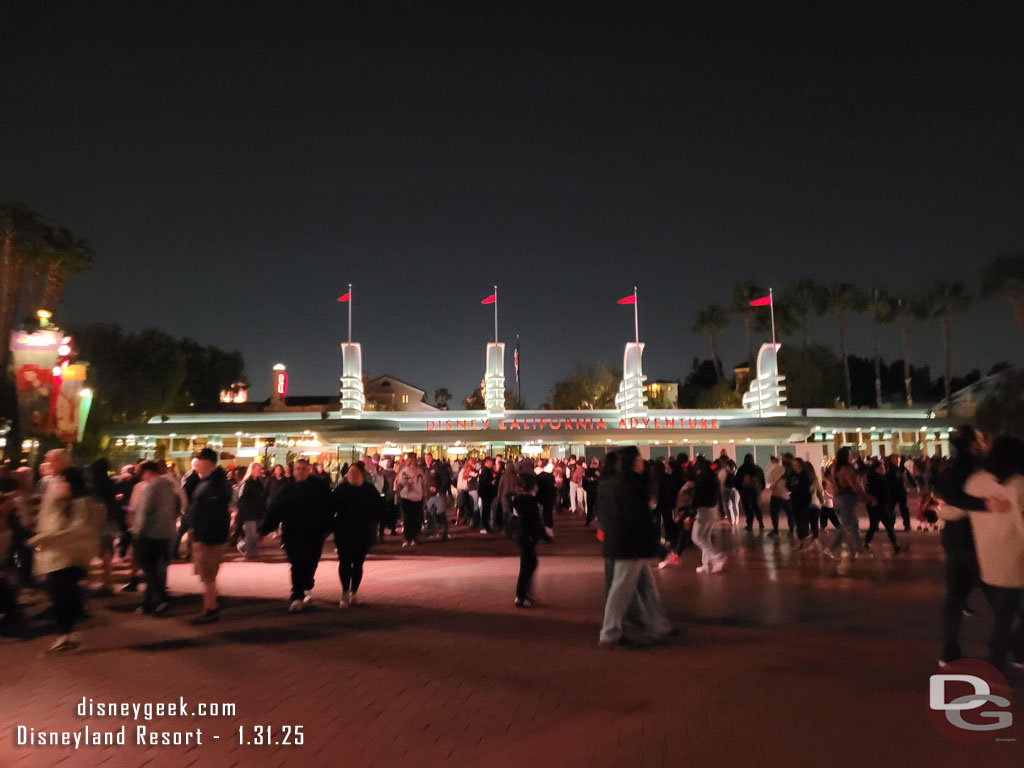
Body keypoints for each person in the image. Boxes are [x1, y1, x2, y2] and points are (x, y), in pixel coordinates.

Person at [598, 446, 673, 647]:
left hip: (619, 543)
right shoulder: (631, 485)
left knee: (643, 587)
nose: (642, 462)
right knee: (621, 589)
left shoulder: (607, 484)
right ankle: (610, 632)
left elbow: (603, 515)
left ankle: (657, 625)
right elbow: (640, 519)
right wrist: (657, 546)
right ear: (633, 461)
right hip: (630, 546)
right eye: (639, 458)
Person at [964, 435, 1024, 676]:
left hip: (989, 560)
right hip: (1016, 561)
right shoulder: (1019, 484)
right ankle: (996, 665)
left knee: (1005, 614)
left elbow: (953, 512)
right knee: (1007, 617)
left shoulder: (976, 481)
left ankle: (1012, 655)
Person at [29, 464, 102, 652]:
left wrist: (42, 539)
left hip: (68, 558)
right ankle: (67, 632)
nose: (59, 485)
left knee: (62, 596)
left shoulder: (82, 504)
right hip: (57, 558)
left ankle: (65, 635)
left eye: (62, 480)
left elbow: (76, 531)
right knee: (62, 595)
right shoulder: (61, 502)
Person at [934, 426, 991, 665]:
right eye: (980, 437)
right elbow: (952, 495)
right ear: (972, 443)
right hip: (976, 540)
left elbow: (942, 491)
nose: (985, 440)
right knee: (1002, 598)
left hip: (954, 540)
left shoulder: (952, 468)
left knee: (955, 597)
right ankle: (1014, 651)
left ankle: (949, 653)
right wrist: (983, 504)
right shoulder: (979, 468)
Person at [260, 458, 333, 612]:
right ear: (293, 471)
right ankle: (297, 595)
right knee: (296, 564)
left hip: (314, 533)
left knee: (311, 561)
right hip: (292, 533)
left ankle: (307, 583)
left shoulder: (319, 488)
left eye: (303, 469)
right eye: (297, 468)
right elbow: (275, 510)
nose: (300, 471)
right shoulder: (287, 489)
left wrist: (328, 527)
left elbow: (329, 508)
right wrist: (264, 530)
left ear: (309, 470)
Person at [185, 448, 232, 623]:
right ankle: (211, 605)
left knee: (208, 576)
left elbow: (212, 513)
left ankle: (210, 609)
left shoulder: (214, 485)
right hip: (206, 534)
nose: (196, 463)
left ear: (208, 462)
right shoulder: (209, 481)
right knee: (207, 576)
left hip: (208, 537)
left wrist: (202, 535)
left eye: (198, 459)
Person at [130, 462, 179, 615]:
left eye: (141, 474)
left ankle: (162, 599)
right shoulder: (170, 486)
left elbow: (144, 511)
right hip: (166, 533)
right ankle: (148, 603)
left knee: (148, 568)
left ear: (148, 472)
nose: (141, 478)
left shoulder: (151, 488)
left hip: (149, 533)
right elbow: (178, 506)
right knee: (156, 569)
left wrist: (136, 531)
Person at [333, 462, 382, 607]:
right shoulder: (341, 489)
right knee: (345, 563)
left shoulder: (368, 489)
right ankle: (344, 591)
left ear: (361, 475)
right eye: (349, 473)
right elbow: (331, 507)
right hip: (344, 532)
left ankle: (354, 592)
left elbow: (378, 506)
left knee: (358, 563)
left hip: (363, 532)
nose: (351, 475)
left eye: (355, 473)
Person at [824, 448, 874, 560]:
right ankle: (832, 548)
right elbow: (854, 485)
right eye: (851, 455)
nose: (853, 457)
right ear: (847, 456)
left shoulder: (834, 468)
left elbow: (828, 476)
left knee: (853, 525)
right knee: (846, 526)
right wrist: (865, 496)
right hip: (847, 499)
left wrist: (836, 488)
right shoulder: (847, 469)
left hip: (839, 499)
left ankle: (859, 551)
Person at [511, 474, 551, 608]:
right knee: (528, 565)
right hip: (527, 535)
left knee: (529, 564)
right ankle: (522, 595)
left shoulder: (519, 500)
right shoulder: (529, 502)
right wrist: (545, 536)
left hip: (522, 535)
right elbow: (535, 522)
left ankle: (523, 594)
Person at [691, 457, 726, 573]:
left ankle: (717, 556)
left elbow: (697, 496)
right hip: (713, 510)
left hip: (703, 511)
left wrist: (692, 511)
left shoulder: (702, 479)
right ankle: (705, 565)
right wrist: (722, 511)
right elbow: (719, 495)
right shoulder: (713, 478)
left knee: (696, 537)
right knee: (706, 538)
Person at [864, 460, 901, 555]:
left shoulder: (872, 477)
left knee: (874, 525)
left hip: (875, 504)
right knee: (888, 525)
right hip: (879, 504)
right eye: (882, 467)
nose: (884, 468)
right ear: (877, 468)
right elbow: (883, 492)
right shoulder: (878, 478)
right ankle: (895, 544)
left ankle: (866, 543)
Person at [235, 462, 267, 560]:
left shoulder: (258, 481)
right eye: (258, 469)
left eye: (260, 469)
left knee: (255, 533)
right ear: (252, 470)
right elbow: (241, 498)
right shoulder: (247, 482)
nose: (260, 471)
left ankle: (246, 547)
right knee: (251, 534)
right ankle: (251, 553)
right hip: (248, 512)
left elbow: (263, 494)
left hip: (258, 512)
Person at [395, 453, 427, 547]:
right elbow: (424, 485)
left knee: (407, 519)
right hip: (416, 497)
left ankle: (407, 538)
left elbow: (400, 484)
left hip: (407, 497)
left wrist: (398, 494)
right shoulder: (420, 471)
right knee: (414, 519)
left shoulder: (404, 471)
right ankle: (412, 537)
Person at [735, 454, 765, 531]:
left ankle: (750, 524)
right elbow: (763, 482)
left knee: (747, 508)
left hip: (745, 492)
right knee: (756, 507)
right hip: (755, 492)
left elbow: (737, 481)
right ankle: (760, 522)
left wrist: (740, 489)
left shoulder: (742, 469)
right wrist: (760, 490)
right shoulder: (758, 469)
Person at [477, 457, 497, 533]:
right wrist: (491, 483)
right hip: (486, 493)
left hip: (485, 493)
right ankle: (485, 526)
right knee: (486, 510)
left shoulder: (485, 470)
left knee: (486, 510)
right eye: (491, 463)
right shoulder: (485, 470)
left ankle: (485, 526)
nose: (492, 464)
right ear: (487, 462)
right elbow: (484, 482)